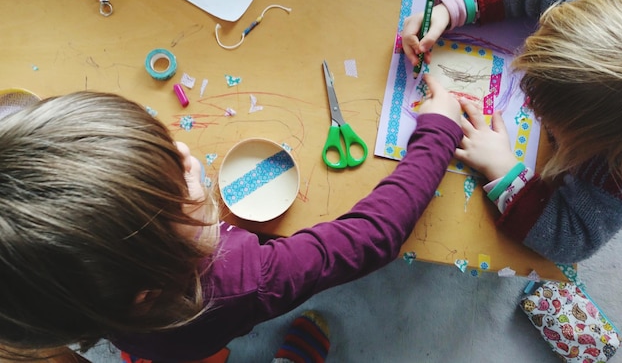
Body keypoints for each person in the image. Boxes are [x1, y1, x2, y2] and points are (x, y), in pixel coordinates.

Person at [0, 75, 462, 362]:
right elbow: (374, 236)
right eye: (184, 189)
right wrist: (438, 129)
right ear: (149, 284)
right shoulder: (241, 279)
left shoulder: (45, 294)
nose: (185, 153)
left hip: (144, 337)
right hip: (191, 335)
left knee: (166, 348)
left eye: (166, 148)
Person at [401, 0, 622, 265]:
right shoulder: (600, 0)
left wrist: (502, 168)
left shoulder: (615, 175)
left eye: (546, 114)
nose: (528, 102)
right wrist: (449, 9)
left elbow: (572, 239)